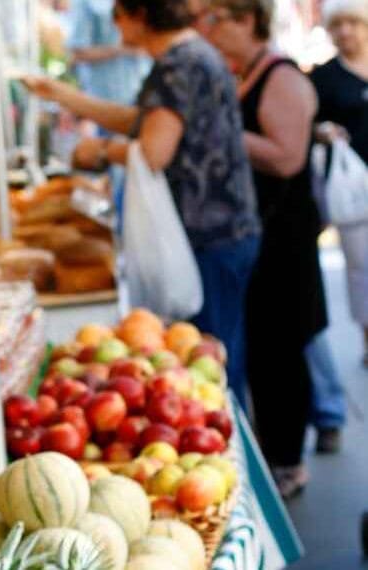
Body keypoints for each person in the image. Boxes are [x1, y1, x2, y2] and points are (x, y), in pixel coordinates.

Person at [24, 0, 261, 404]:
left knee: (208, 364)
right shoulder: (190, 54)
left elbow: (153, 148)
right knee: (215, 354)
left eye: (119, 11)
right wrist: (67, 97)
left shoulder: (178, 65)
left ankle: (234, 451)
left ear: (142, 13)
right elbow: (145, 119)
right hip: (223, 228)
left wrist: (98, 150)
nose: (114, 22)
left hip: (206, 235)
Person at [198, 0, 328, 497]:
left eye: (216, 20)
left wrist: (223, 128)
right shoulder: (247, 73)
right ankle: (270, 452)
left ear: (247, 21)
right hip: (256, 234)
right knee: (262, 346)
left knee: (282, 348)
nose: (209, 30)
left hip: (284, 237)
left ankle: (289, 461)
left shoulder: (283, 77)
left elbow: (287, 157)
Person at [311, 0, 368, 368]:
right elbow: (305, 123)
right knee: (362, 266)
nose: (346, 31)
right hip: (353, 187)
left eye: (354, 23)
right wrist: (322, 133)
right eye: (339, 25)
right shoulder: (324, 78)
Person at [68, 0, 151, 105]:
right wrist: (125, 50)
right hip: (105, 95)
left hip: (140, 89)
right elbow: (78, 52)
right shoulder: (87, 4)